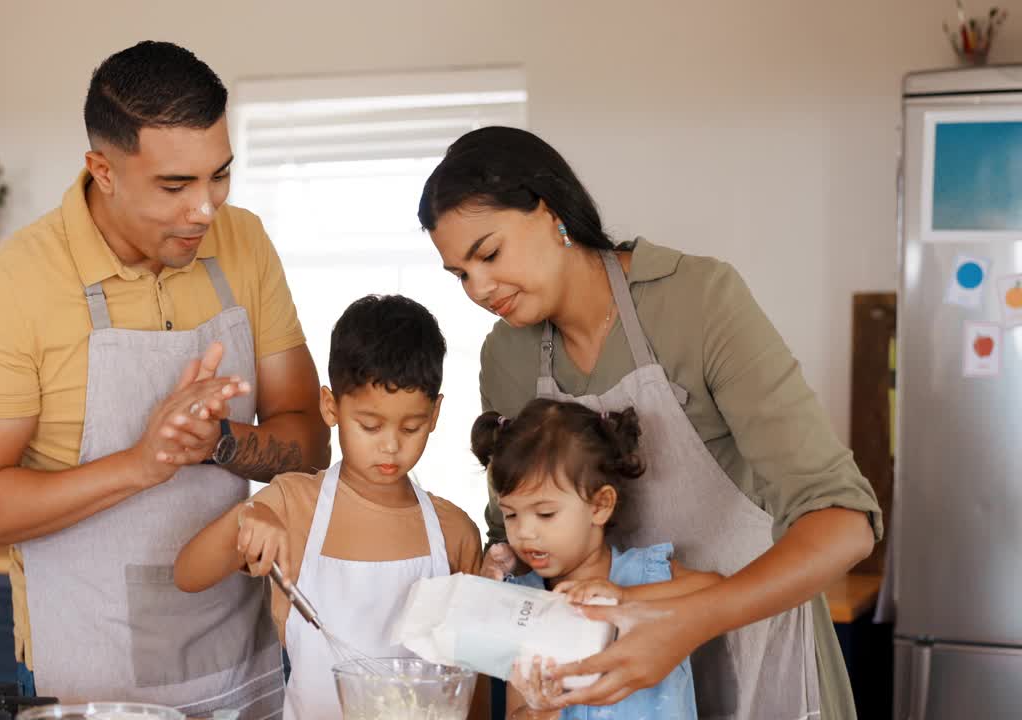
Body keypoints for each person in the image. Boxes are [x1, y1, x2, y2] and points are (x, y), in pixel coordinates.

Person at [419, 126, 881, 720]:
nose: (478, 289)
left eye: (488, 254)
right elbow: (518, 533)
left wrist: (685, 622)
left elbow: (844, 521)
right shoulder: (506, 358)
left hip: (755, 656)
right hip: (612, 691)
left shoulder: (698, 300)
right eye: (459, 273)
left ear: (549, 209)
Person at [0, 41, 329, 717]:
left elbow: (311, 445)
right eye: (175, 186)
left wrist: (220, 444)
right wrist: (140, 464)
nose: (205, 210)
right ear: (103, 170)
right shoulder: (14, 287)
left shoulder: (245, 244)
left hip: (243, 653)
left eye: (220, 176)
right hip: (94, 675)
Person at [174, 294, 489, 720]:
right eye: (370, 425)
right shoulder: (292, 505)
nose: (391, 445)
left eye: (411, 427)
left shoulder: (455, 533)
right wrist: (247, 517)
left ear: (435, 414)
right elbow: (188, 575)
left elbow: (472, 677)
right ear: (330, 407)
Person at [471, 398, 722, 720]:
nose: (525, 533)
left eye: (545, 514)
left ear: (600, 505)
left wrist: (625, 598)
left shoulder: (647, 574)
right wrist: (538, 711)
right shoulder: (523, 604)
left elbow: (718, 591)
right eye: (511, 515)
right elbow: (515, 711)